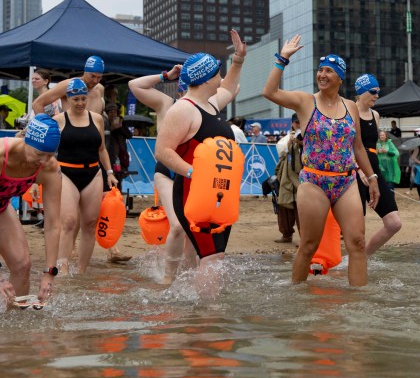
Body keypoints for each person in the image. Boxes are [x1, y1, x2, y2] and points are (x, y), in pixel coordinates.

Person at [262, 35, 380, 286]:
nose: (322, 74)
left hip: (346, 181)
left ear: (340, 77)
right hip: (314, 181)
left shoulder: (351, 107)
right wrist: (282, 59)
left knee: (357, 242)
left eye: (329, 71)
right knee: (308, 245)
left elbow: (357, 146)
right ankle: (297, 296)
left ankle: (359, 302)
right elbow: (269, 92)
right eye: (320, 70)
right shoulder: (306, 102)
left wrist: (372, 178)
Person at [155, 30, 246, 273]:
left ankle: (189, 301)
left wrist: (238, 60)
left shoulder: (211, 104)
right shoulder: (183, 109)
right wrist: (195, 172)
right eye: (218, 71)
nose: (221, 75)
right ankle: (210, 310)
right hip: (192, 192)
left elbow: (229, 87)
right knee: (211, 257)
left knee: (212, 255)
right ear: (206, 79)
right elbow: (163, 151)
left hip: (217, 191)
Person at [129, 63, 202, 283]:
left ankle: (189, 278)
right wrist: (166, 75)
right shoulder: (166, 104)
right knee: (178, 225)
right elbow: (134, 85)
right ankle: (168, 279)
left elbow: (230, 89)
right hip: (168, 171)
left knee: (192, 227)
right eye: (183, 90)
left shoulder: (204, 107)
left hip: (191, 172)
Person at [54, 78, 118, 275]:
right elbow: (47, 152)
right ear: (68, 99)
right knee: (69, 222)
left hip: (93, 173)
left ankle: (81, 271)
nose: (80, 103)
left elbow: (102, 150)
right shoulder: (59, 120)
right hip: (66, 173)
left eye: (83, 99)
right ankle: (62, 268)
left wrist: (109, 172)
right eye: (76, 99)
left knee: (90, 223)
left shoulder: (96, 119)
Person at [0, 114, 62, 307]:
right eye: (38, 154)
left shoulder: (49, 168)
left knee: (22, 265)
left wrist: (49, 273)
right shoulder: (1, 154)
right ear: (26, 140)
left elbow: (52, 224)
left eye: (50, 155)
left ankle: (13, 328)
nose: (43, 161)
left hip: (2, 206)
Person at [354, 74, 402, 257]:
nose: (376, 96)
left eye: (378, 92)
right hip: (356, 173)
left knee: (394, 223)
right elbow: (346, 145)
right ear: (361, 91)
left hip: (374, 172)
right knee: (357, 226)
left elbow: (373, 145)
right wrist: (358, 170)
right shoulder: (349, 111)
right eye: (373, 92)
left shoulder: (375, 115)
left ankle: (362, 257)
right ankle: (350, 261)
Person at [33, 55, 105, 115]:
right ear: (85, 72)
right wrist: (46, 128)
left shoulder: (99, 89)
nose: (95, 81)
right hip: (70, 131)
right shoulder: (68, 85)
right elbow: (37, 104)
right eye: (92, 76)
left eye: (99, 77)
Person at [273, 112, 302, 243]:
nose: (299, 125)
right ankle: (286, 234)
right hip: (287, 175)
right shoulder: (286, 139)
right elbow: (282, 152)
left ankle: (305, 238)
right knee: (284, 206)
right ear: (292, 123)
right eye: (297, 122)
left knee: (302, 207)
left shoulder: (311, 135)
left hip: (303, 176)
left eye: (301, 122)